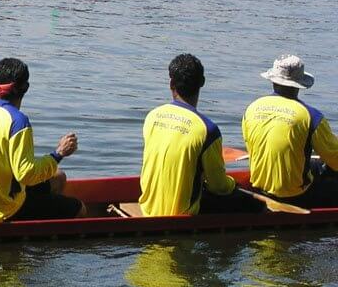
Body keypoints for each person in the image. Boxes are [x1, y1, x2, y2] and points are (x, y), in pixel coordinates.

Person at [138, 54, 262, 216]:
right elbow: (219, 187)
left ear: (171, 84)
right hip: (181, 213)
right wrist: (234, 184)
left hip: (147, 209)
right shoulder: (207, 130)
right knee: (254, 205)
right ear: (202, 83)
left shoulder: (152, 117)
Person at [0, 58, 82, 223]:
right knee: (79, 208)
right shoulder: (18, 122)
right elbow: (26, 175)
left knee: (58, 177)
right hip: (4, 210)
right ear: (25, 88)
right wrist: (59, 153)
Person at [243, 55, 338, 208]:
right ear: (298, 85)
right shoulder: (311, 116)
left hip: (260, 189)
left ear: (273, 80)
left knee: (316, 163)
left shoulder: (251, 108)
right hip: (297, 196)